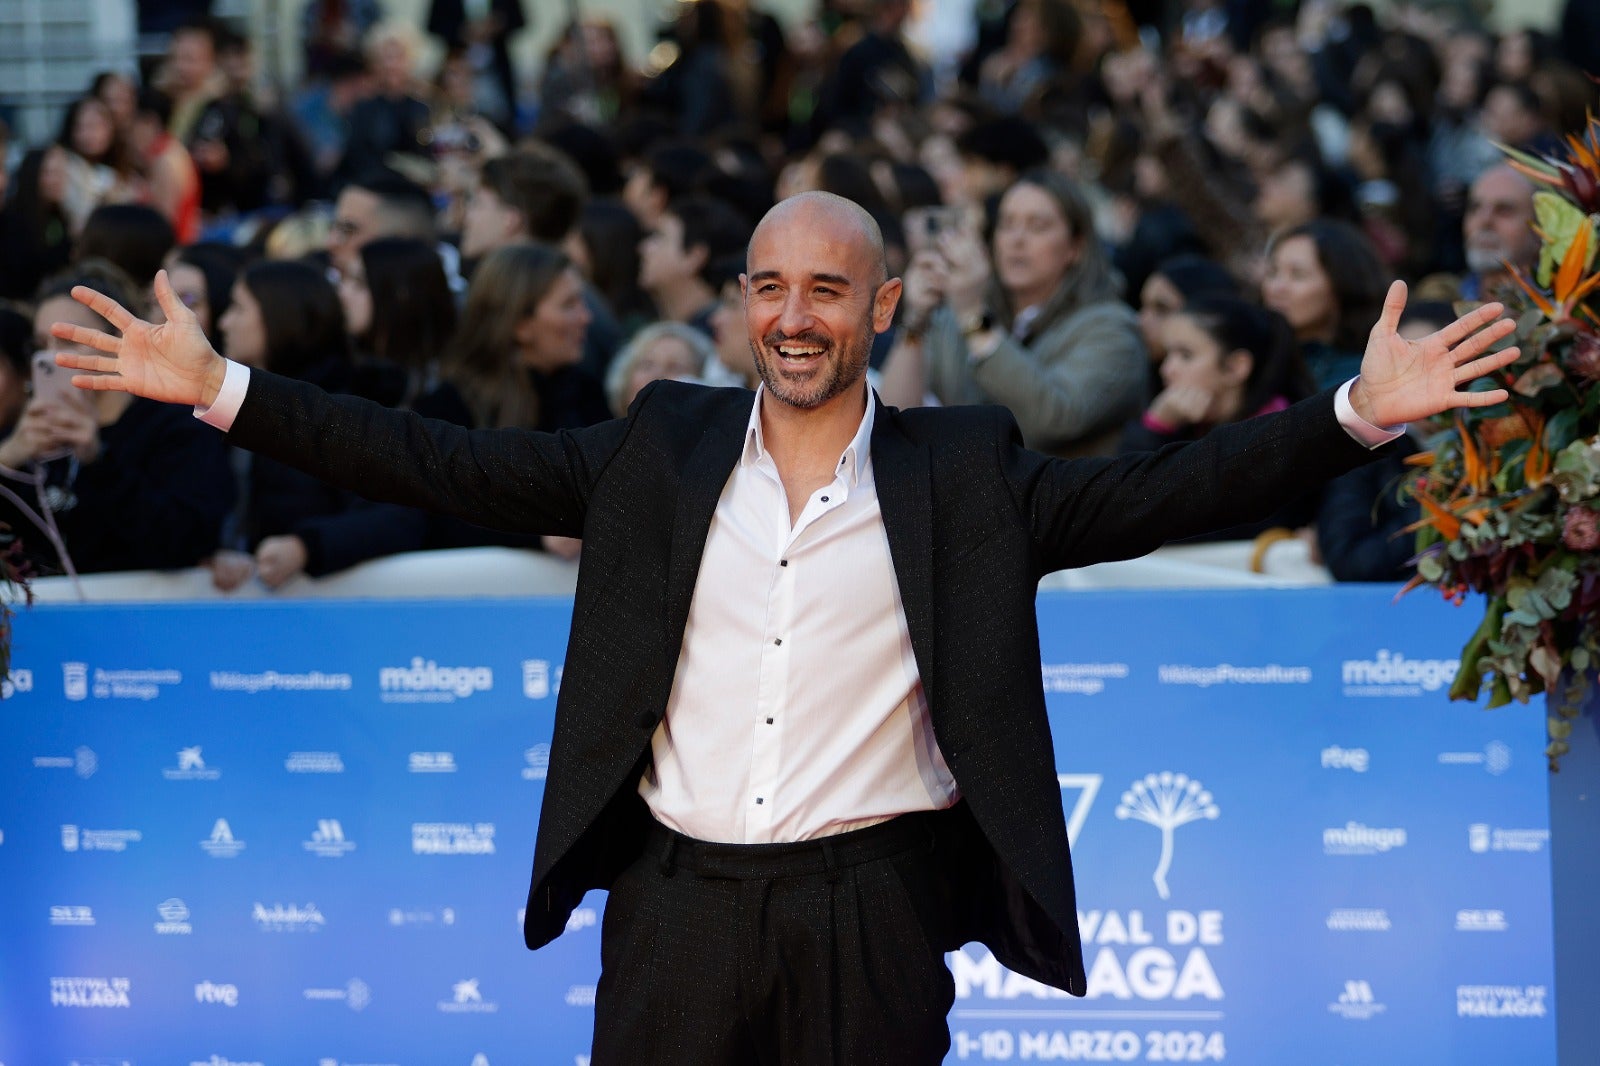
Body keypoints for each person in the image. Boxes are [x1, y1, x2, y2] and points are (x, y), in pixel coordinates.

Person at [55, 190, 1518, 1062]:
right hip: (674, 911)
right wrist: (224, 390)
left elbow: (1168, 485)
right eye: (772, 287)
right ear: (747, 302)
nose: (797, 314)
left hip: (868, 915)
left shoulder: (964, 468)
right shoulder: (658, 447)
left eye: (829, 287)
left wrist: (1353, 414)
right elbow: (437, 462)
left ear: (882, 302)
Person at [881, 169, 1147, 457]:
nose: (1017, 240)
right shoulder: (964, 309)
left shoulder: (1113, 329)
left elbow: (1056, 419)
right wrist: (917, 320)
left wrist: (973, 316)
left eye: (1038, 226)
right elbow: (893, 423)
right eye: (1007, 224)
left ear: (1076, 247)